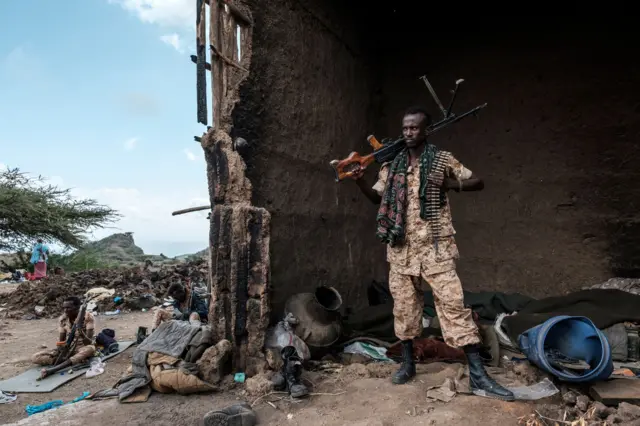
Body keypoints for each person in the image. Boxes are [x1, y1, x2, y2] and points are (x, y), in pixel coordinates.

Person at [352, 106, 514, 401]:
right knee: (404, 309)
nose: (409, 133)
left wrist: (450, 184)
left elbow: (478, 181)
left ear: (425, 130)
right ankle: (408, 364)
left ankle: (478, 376)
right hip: (400, 250)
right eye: (405, 128)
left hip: (436, 248)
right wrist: (359, 179)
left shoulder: (441, 159)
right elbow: (377, 197)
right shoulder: (391, 163)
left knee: (454, 306)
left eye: (414, 128)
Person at [31, 296, 96, 379]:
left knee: (90, 349)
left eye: (68, 308)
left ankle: (55, 369)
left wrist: (81, 333)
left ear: (77, 307)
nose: (65, 310)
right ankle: (70, 361)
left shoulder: (88, 317)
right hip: (69, 347)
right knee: (35, 357)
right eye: (64, 308)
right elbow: (62, 340)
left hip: (82, 347)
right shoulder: (63, 319)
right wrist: (61, 348)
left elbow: (88, 342)